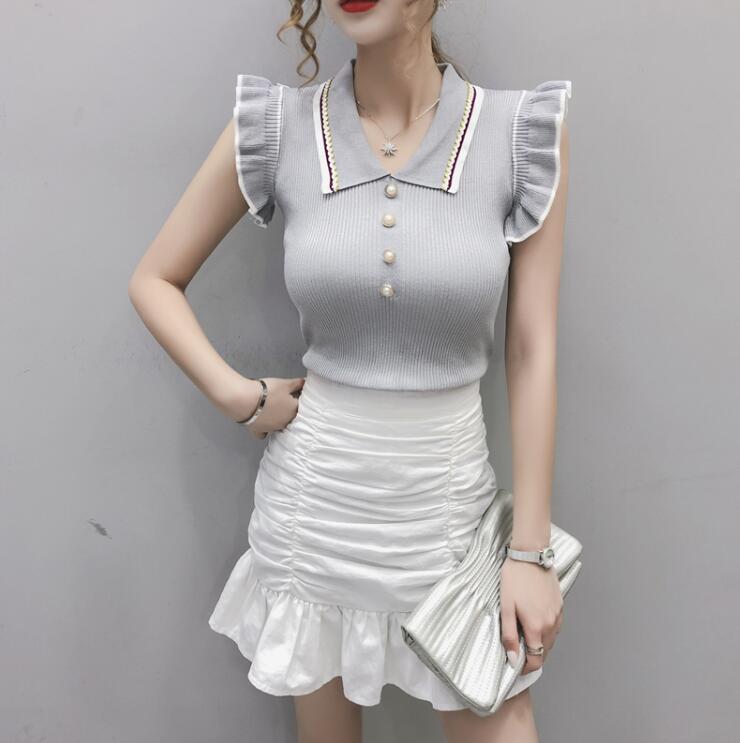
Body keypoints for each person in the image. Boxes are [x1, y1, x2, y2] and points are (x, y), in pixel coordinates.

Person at [128, 0, 571, 740]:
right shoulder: (280, 127)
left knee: (502, 716)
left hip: (449, 514)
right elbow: (154, 279)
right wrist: (241, 396)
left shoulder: (517, 133)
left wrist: (529, 552)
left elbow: (532, 350)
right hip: (316, 510)